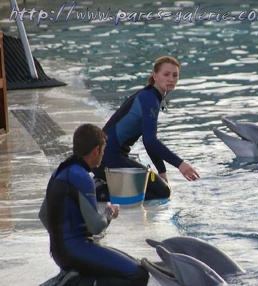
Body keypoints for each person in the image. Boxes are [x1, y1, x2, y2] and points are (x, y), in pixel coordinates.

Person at [39, 124, 149, 286]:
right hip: (76, 250)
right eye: (103, 151)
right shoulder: (82, 177)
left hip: (59, 251)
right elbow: (96, 227)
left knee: (135, 265)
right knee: (138, 275)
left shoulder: (60, 172)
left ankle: (77, 278)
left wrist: (62, 237)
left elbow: (43, 215)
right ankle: (76, 283)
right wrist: (109, 213)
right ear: (96, 150)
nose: (103, 155)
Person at [92, 55, 200, 201]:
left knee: (159, 186)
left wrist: (162, 172)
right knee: (162, 193)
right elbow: (150, 141)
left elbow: (148, 140)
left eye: (175, 75)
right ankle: (100, 192)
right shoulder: (150, 99)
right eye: (166, 74)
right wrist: (180, 164)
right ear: (155, 76)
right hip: (107, 158)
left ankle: (102, 182)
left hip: (106, 158)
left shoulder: (150, 96)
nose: (171, 79)